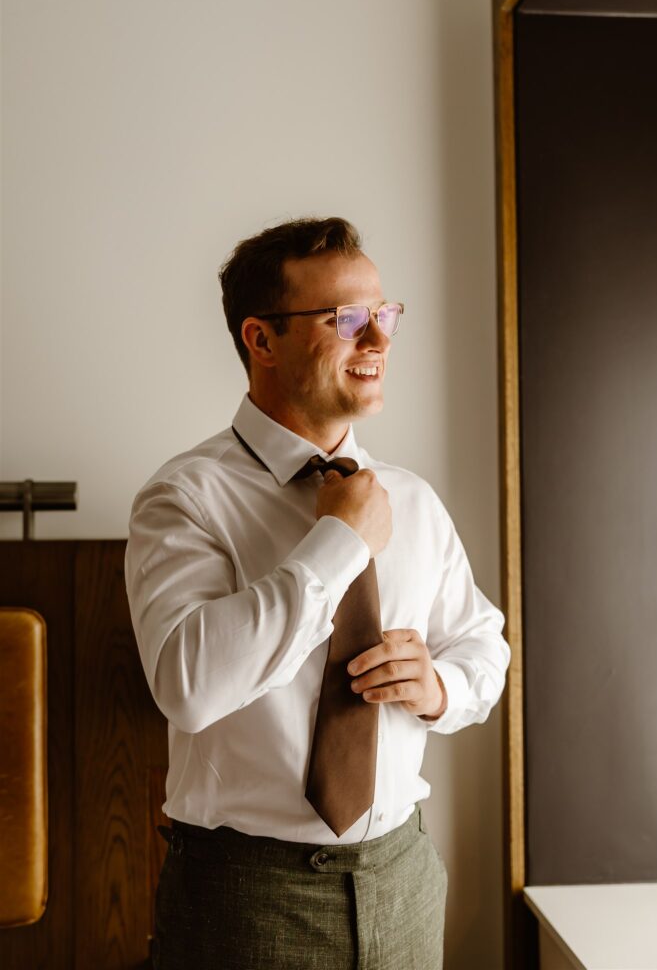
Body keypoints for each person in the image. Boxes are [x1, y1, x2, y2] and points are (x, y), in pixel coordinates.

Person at [124, 216, 511, 970]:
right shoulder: (183, 497)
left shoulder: (414, 499)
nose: (379, 341)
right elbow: (189, 686)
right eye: (347, 320)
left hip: (403, 880)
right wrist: (339, 544)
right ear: (261, 340)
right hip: (244, 899)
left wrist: (439, 688)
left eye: (384, 314)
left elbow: (482, 645)